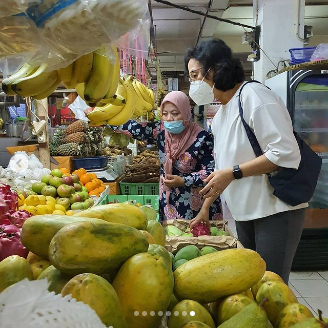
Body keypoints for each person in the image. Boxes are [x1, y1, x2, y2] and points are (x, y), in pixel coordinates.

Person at [185, 38, 307, 283]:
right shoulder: (221, 114)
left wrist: (234, 172)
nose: (194, 84)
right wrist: (206, 208)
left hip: (275, 209)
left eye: (196, 74)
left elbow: (285, 153)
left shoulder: (254, 96)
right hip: (245, 212)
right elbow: (223, 170)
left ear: (217, 69)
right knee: (253, 282)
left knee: (270, 284)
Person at [113, 90, 221, 222]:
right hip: (168, 200)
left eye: (175, 113)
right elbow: (136, 129)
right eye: (165, 114)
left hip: (196, 203)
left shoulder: (202, 138)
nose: (169, 118)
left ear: (186, 112)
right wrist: (106, 119)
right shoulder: (160, 131)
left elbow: (210, 173)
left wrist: (183, 181)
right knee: (171, 236)